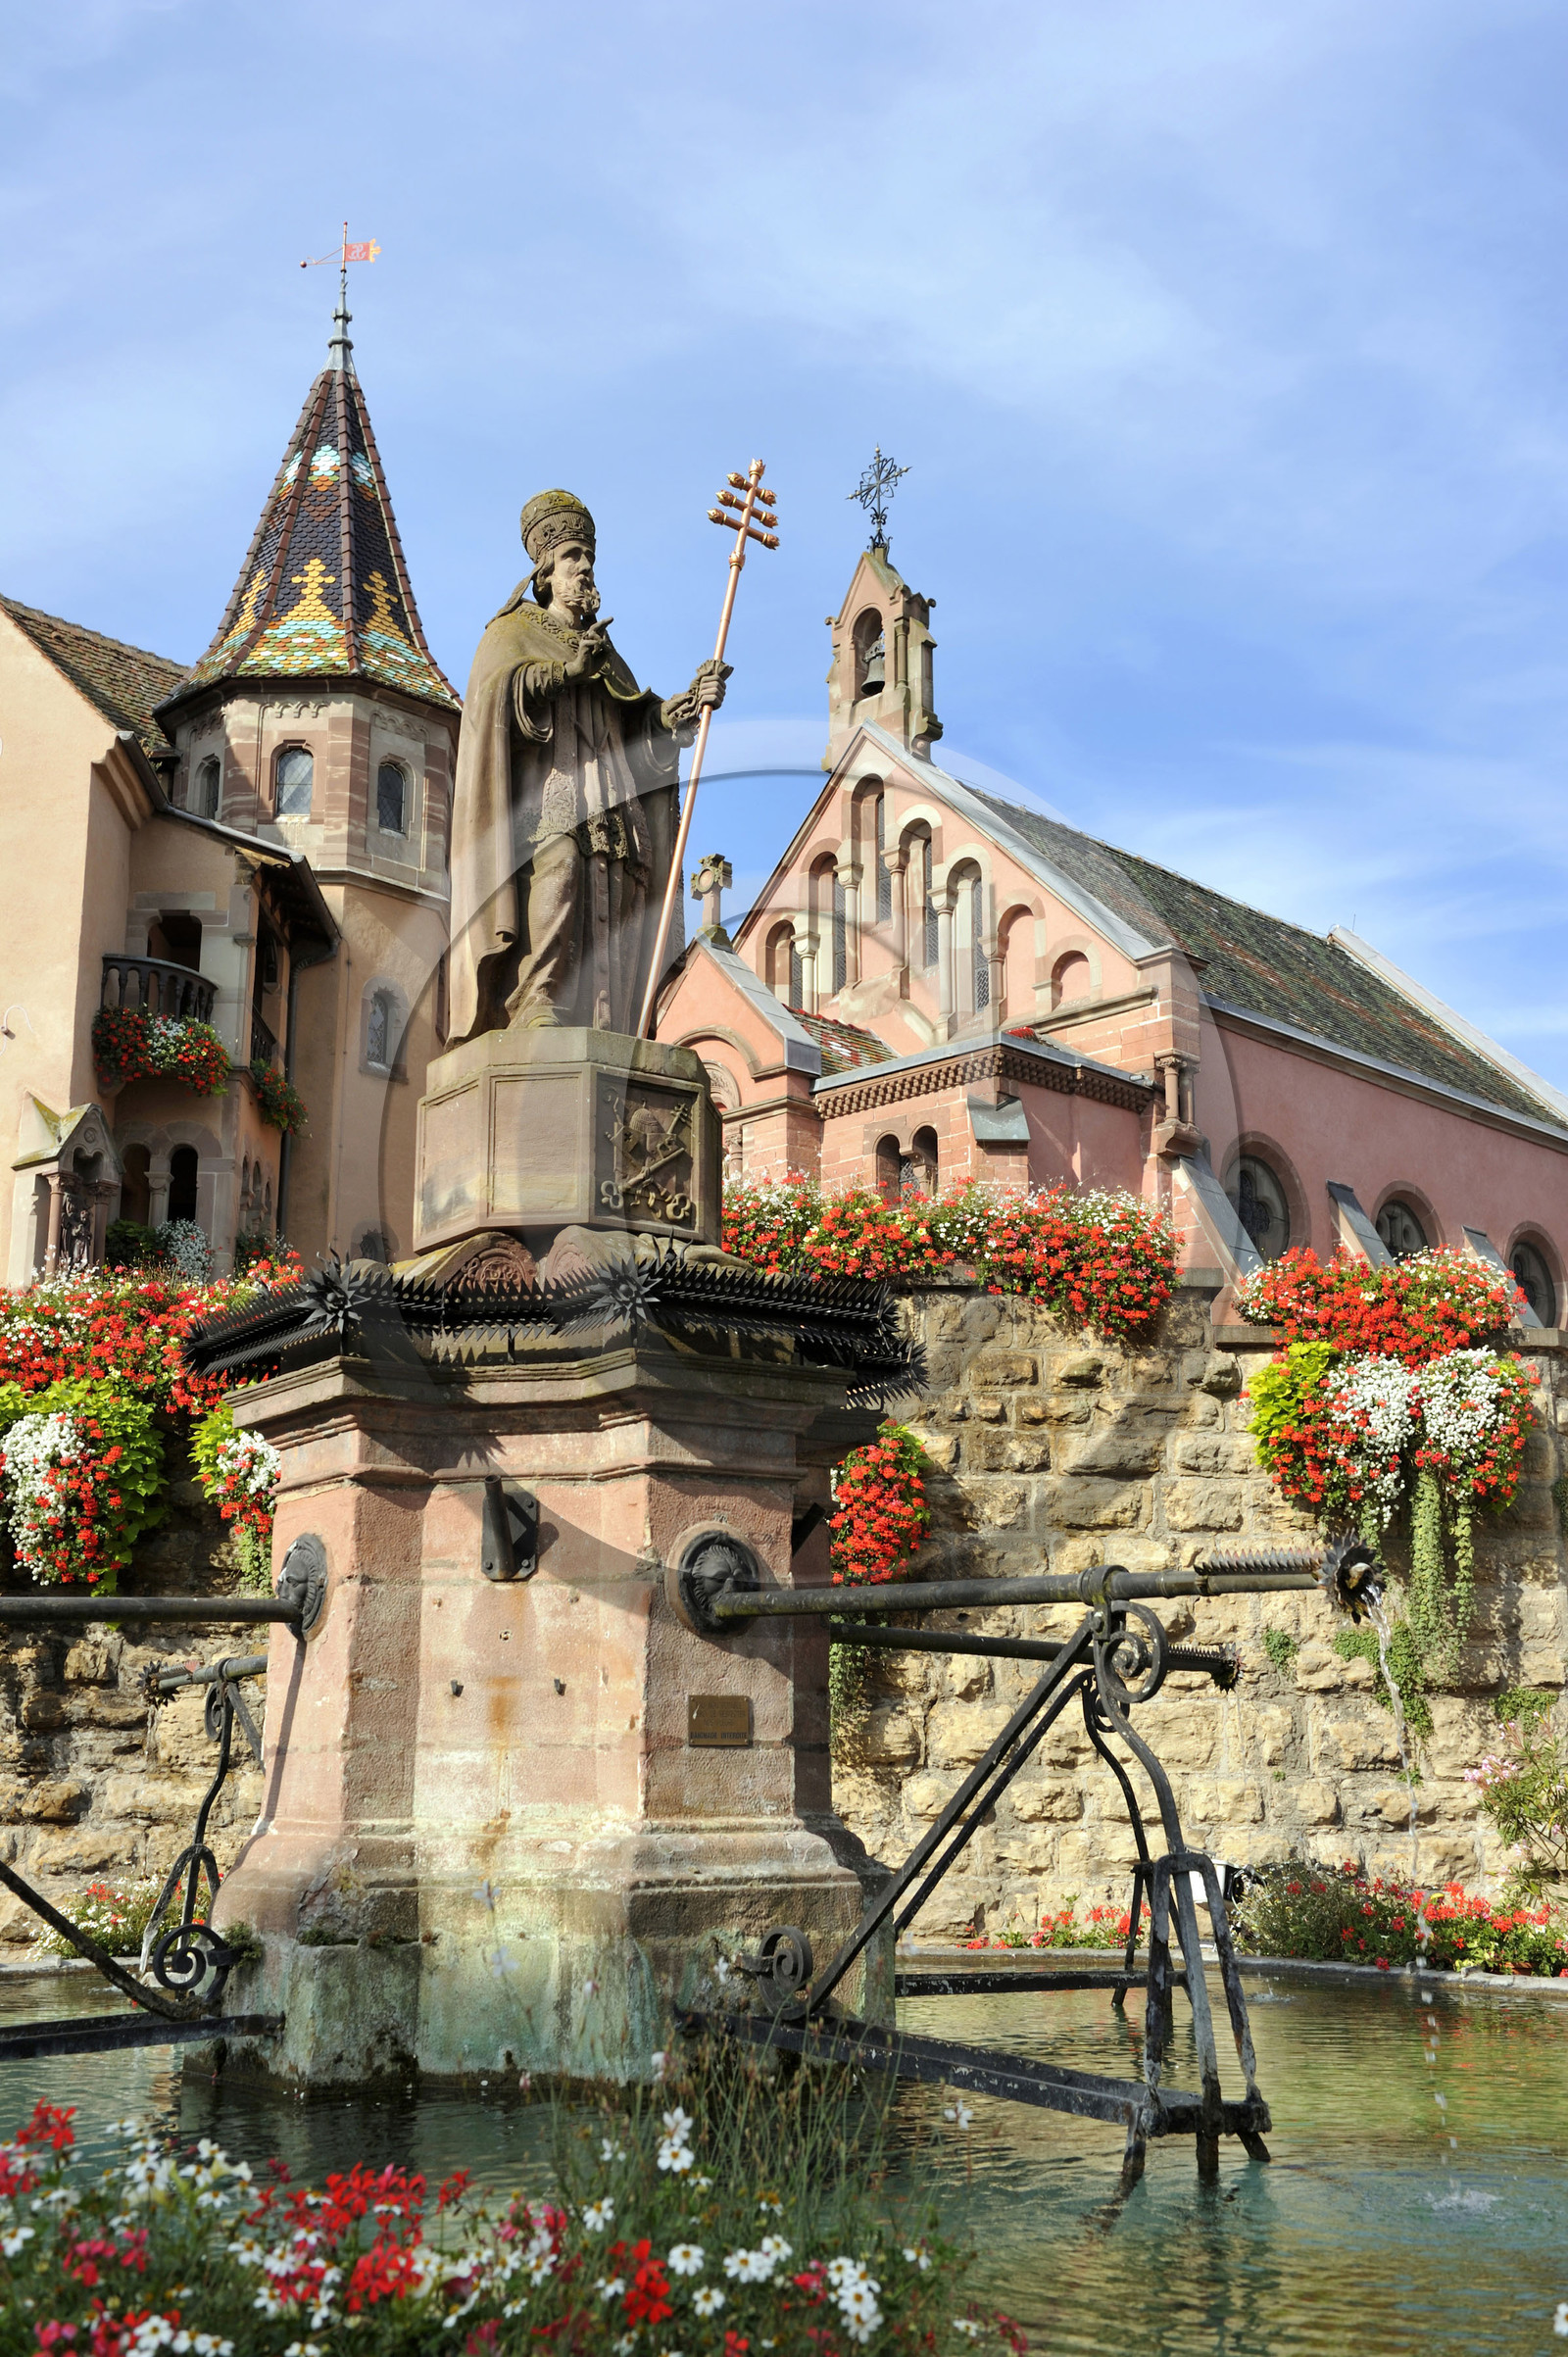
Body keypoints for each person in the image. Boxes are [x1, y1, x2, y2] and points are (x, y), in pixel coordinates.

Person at [448, 489, 727, 1039]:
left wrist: (678, 711)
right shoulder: (511, 632)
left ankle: (609, 1021)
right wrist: (564, 673)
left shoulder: (608, 651)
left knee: (619, 891)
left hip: (613, 798)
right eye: (572, 557)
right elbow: (494, 700)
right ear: (545, 573)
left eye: (588, 559)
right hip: (549, 790)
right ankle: (537, 1002)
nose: (584, 569)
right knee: (561, 868)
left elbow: (636, 731)